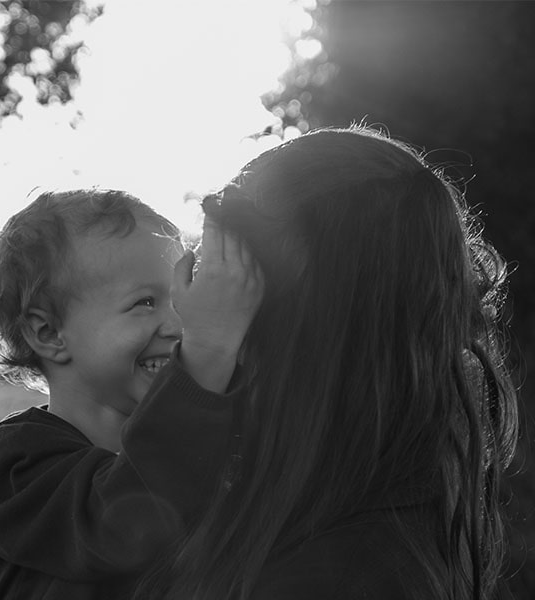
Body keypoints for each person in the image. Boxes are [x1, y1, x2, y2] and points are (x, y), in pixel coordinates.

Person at [134, 126, 519, 600]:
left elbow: (124, 534)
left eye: (214, 274)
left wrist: (204, 357)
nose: (183, 311)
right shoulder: (388, 514)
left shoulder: (328, 575)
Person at [0, 189, 263, 599]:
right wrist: (210, 353)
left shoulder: (198, 443)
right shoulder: (18, 462)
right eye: (145, 302)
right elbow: (119, 526)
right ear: (49, 333)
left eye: (182, 299)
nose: (178, 325)